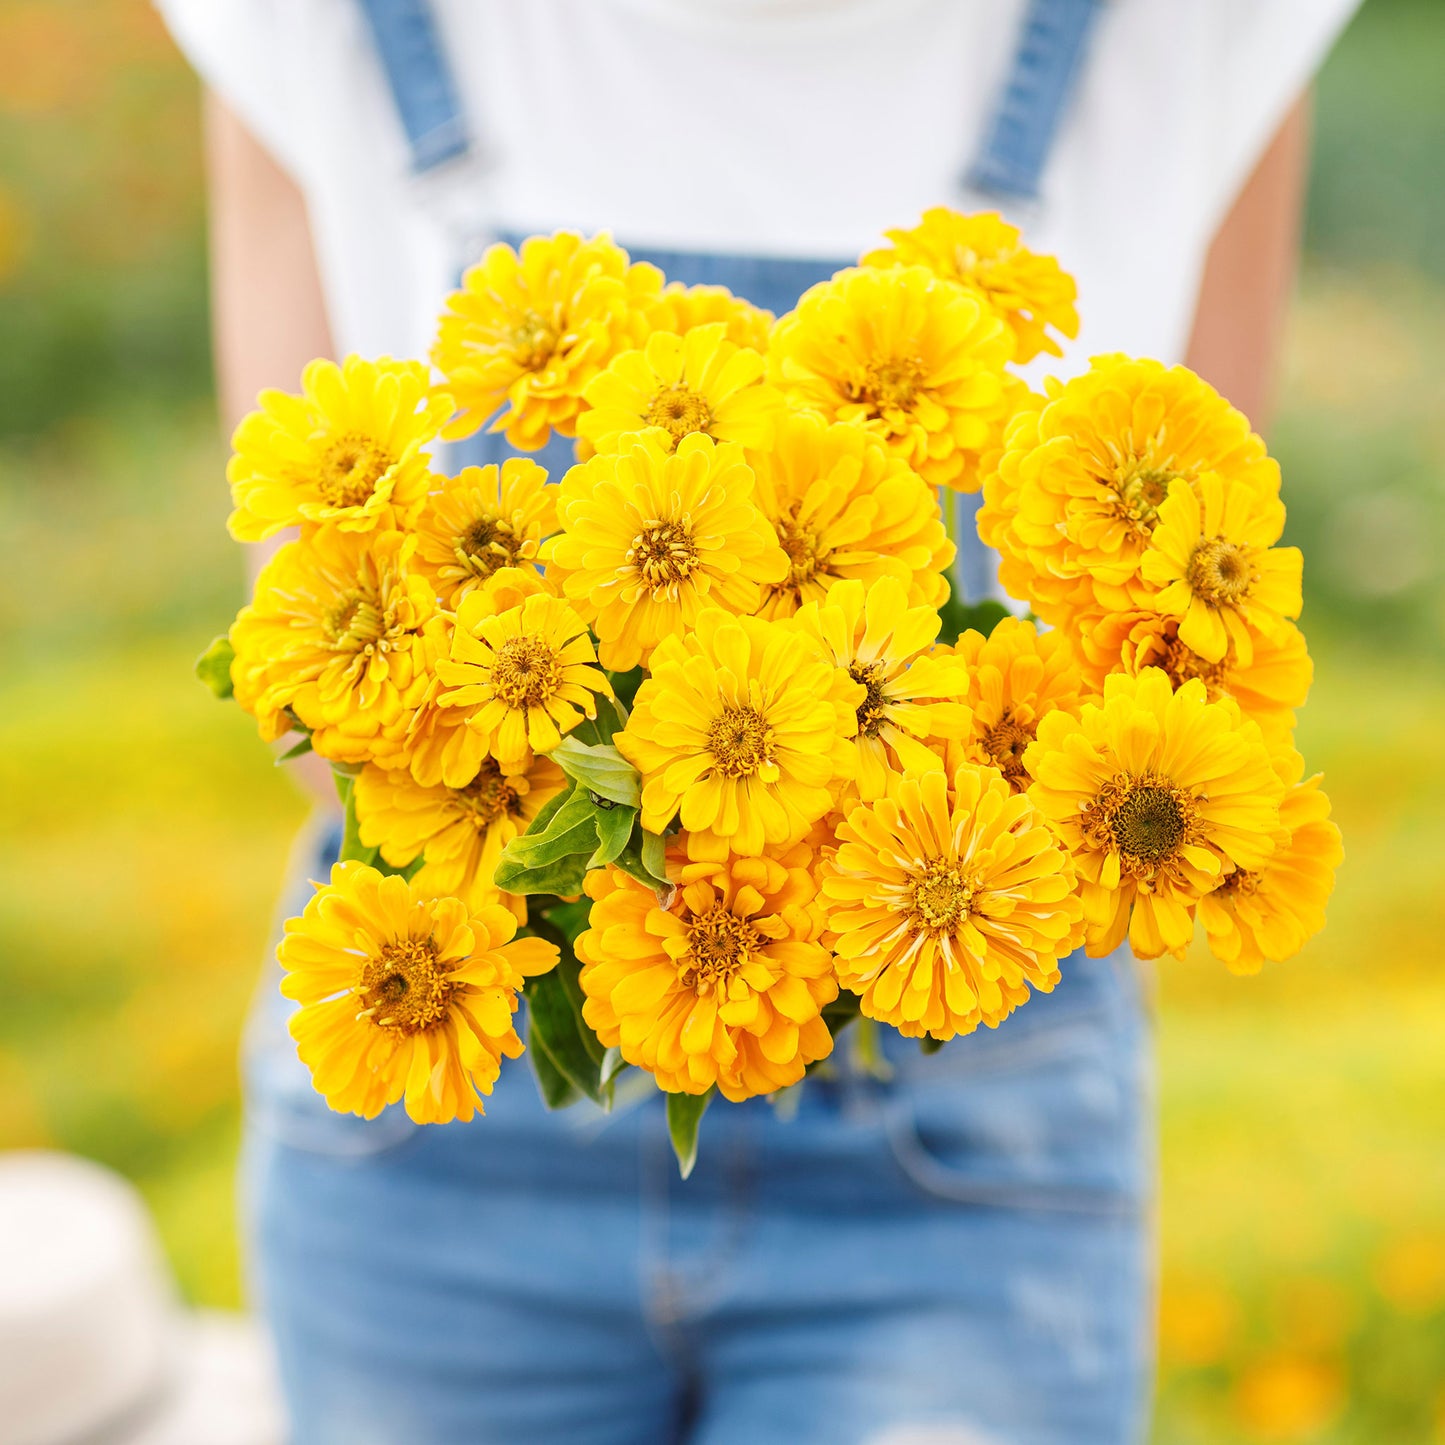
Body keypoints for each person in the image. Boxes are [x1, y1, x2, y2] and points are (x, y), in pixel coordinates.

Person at [157, 2, 1361, 1442]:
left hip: (964, 1133)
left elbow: (1193, 612)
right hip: (443, 1118)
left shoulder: (1200, 27)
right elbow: (307, 705)